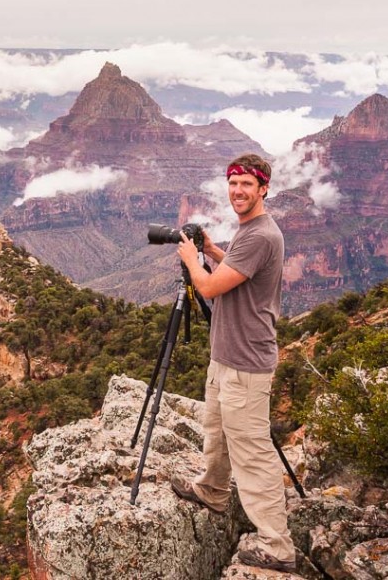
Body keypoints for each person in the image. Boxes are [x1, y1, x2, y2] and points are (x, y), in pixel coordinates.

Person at [170, 153, 296, 573]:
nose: (238, 191)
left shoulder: (261, 234)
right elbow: (238, 271)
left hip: (246, 361)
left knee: (253, 452)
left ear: (264, 189)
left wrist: (192, 259)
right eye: (233, 183)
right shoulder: (250, 233)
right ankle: (213, 490)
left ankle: (278, 546)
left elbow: (207, 287)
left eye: (247, 184)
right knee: (217, 432)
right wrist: (209, 248)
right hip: (226, 355)